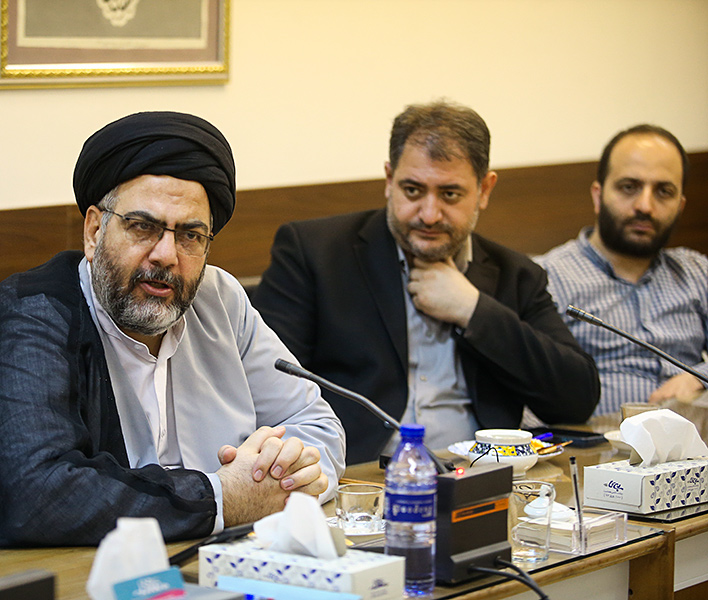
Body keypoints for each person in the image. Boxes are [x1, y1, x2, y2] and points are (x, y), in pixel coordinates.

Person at [0, 112, 345, 555]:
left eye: (190, 235)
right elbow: (39, 493)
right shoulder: (30, 318)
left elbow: (315, 423)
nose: (166, 255)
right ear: (93, 231)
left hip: (174, 568)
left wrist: (287, 473)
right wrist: (223, 497)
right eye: (142, 227)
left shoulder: (219, 299)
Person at [252, 100, 599, 464]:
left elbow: (576, 400)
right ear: (389, 180)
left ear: (484, 189)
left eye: (450, 194)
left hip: (480, 475)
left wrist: (474, 311)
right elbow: (266, 390)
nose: (429, 215)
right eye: (413, 190)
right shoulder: (314, 253)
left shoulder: (515, 274)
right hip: (361, 476)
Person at [536, 125, 707, 417]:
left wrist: (697, 378)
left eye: (663, 192)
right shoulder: (546, 279)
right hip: (602, 441)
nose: (645, 206)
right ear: (598, 195)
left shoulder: (696, 272)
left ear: (680, 207)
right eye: (629, 187)